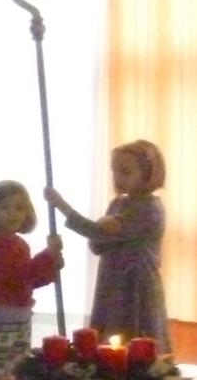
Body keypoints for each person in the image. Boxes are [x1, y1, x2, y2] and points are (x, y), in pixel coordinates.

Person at [47, 140, 169, 343]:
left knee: (135, 331)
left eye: (126, 172)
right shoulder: (118, 204)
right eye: (115, 172)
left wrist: (62, 206)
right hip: (112, 280)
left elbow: (97, 234)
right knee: (109, 330)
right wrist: (102, 228)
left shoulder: (150, 209)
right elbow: (98, 245)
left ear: (148, 174)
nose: (118, 178)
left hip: (135, 283)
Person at [0, 181, 64, 380]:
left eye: (19, 208)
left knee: (18, 361)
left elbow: (28, 281)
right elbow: (14, 276)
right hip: (0, 313)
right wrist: (47, 256)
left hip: (19, 312)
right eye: (4, 207)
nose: (12, 213)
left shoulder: (19, 243)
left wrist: (50, 270)